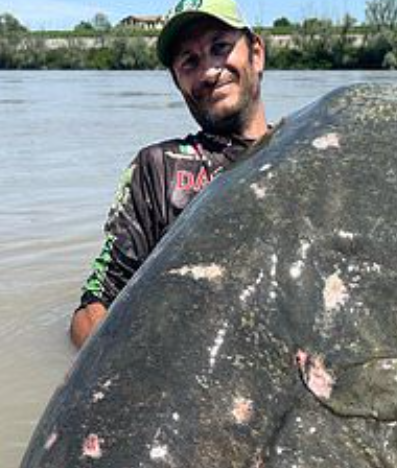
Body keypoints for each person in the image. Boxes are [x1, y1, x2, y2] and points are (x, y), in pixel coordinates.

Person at [70, 0, 268, 348]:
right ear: (178, 82)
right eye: (189, 62)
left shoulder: (311, 151)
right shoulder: (158, 169)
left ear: (256, 53)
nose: (208, 71)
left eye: (220, 48)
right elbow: (92, 308)